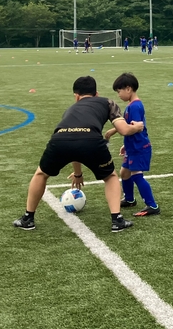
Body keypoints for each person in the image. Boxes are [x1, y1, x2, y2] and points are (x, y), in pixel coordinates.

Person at [12, 75, 141, 232]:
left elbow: (74, 143)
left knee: (41, 174)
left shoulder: (70, 109)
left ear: (77, 96)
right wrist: (137, 127)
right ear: (96, 94)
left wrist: (78, 174)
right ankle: (117, 220)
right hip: (91, 140)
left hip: (60, 139)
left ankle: (28, 218)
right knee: (110, 177)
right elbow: (124, 130)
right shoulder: (107, 102)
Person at [104, 72, 159, 217]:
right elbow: (129, 126)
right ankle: (129, 199)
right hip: (132, 146)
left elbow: (136, 127)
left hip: (138, 147)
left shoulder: (135, 106)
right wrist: (124, 142)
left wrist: (124, 137)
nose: (118, 95)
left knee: (136, 175)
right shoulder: (132, 105)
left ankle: (152, 205)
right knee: (124, 172)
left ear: (128, 89)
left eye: (119, 91)